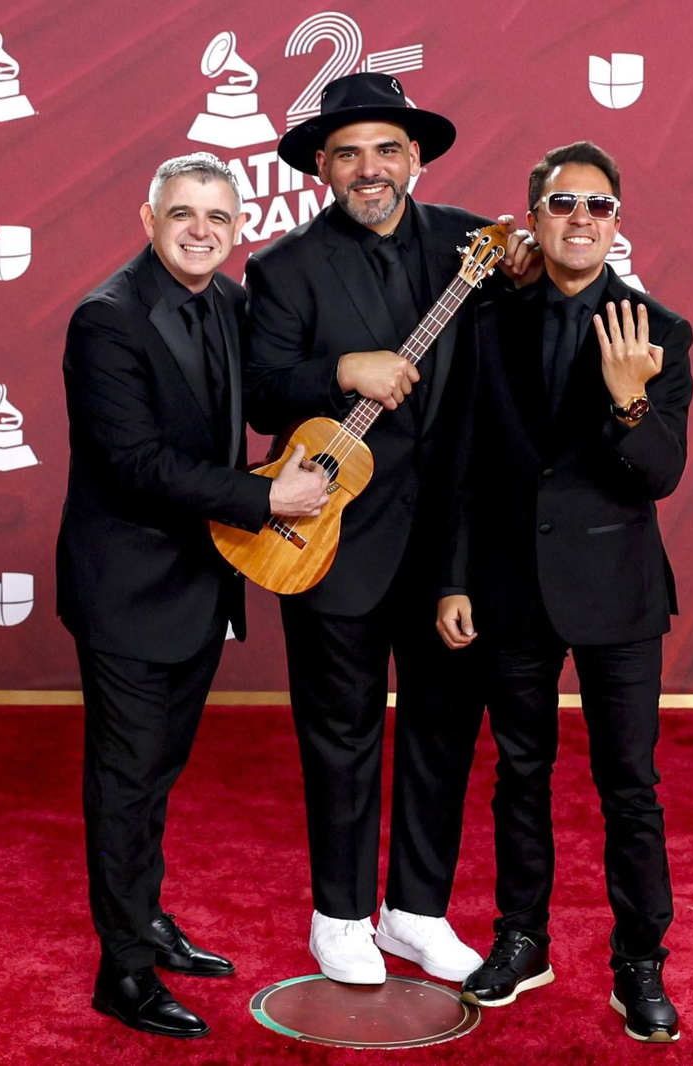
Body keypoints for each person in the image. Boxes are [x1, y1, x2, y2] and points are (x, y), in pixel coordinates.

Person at [243, 72, 538, 986]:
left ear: (414, 156)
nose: (369, 168)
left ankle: (414, 911)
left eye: (386, 149)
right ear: (322, 167)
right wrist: (342, 369)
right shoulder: (283, 267)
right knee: (340, 729)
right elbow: (260, 393)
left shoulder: (472, 246)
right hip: (334, 534)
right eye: (349, 153)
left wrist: (531, 280)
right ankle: (339, 915)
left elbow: (517, 361)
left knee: (445, 727)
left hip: (453, 540)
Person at [56, 152, 331, 1039]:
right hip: (128, 591)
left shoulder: (230, 304)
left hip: (199, 584)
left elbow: (271, 394)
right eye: (183, 215)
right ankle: (123, 970)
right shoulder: (105, 321)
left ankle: (144, 917)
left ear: (239, 225)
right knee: (126, 779)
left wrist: (353, 375)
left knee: (157, 772)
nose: (201, 230)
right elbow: (134, 466)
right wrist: (267, 498)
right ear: (149, 219)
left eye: (218, 216)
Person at [437, 141, 693, 1043]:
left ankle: (639, 962)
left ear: (618, 222)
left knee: (629, 785)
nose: (580, 219)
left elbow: (659, 473)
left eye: (598, 206)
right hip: (510, 588)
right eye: (561, 204)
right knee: (520, 775)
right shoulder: (488, 319)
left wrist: (630, 401)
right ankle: (522, 938)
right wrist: (456, 578)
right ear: (534, 217)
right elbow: (464, 464)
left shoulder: (658, 327)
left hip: (617, 591)